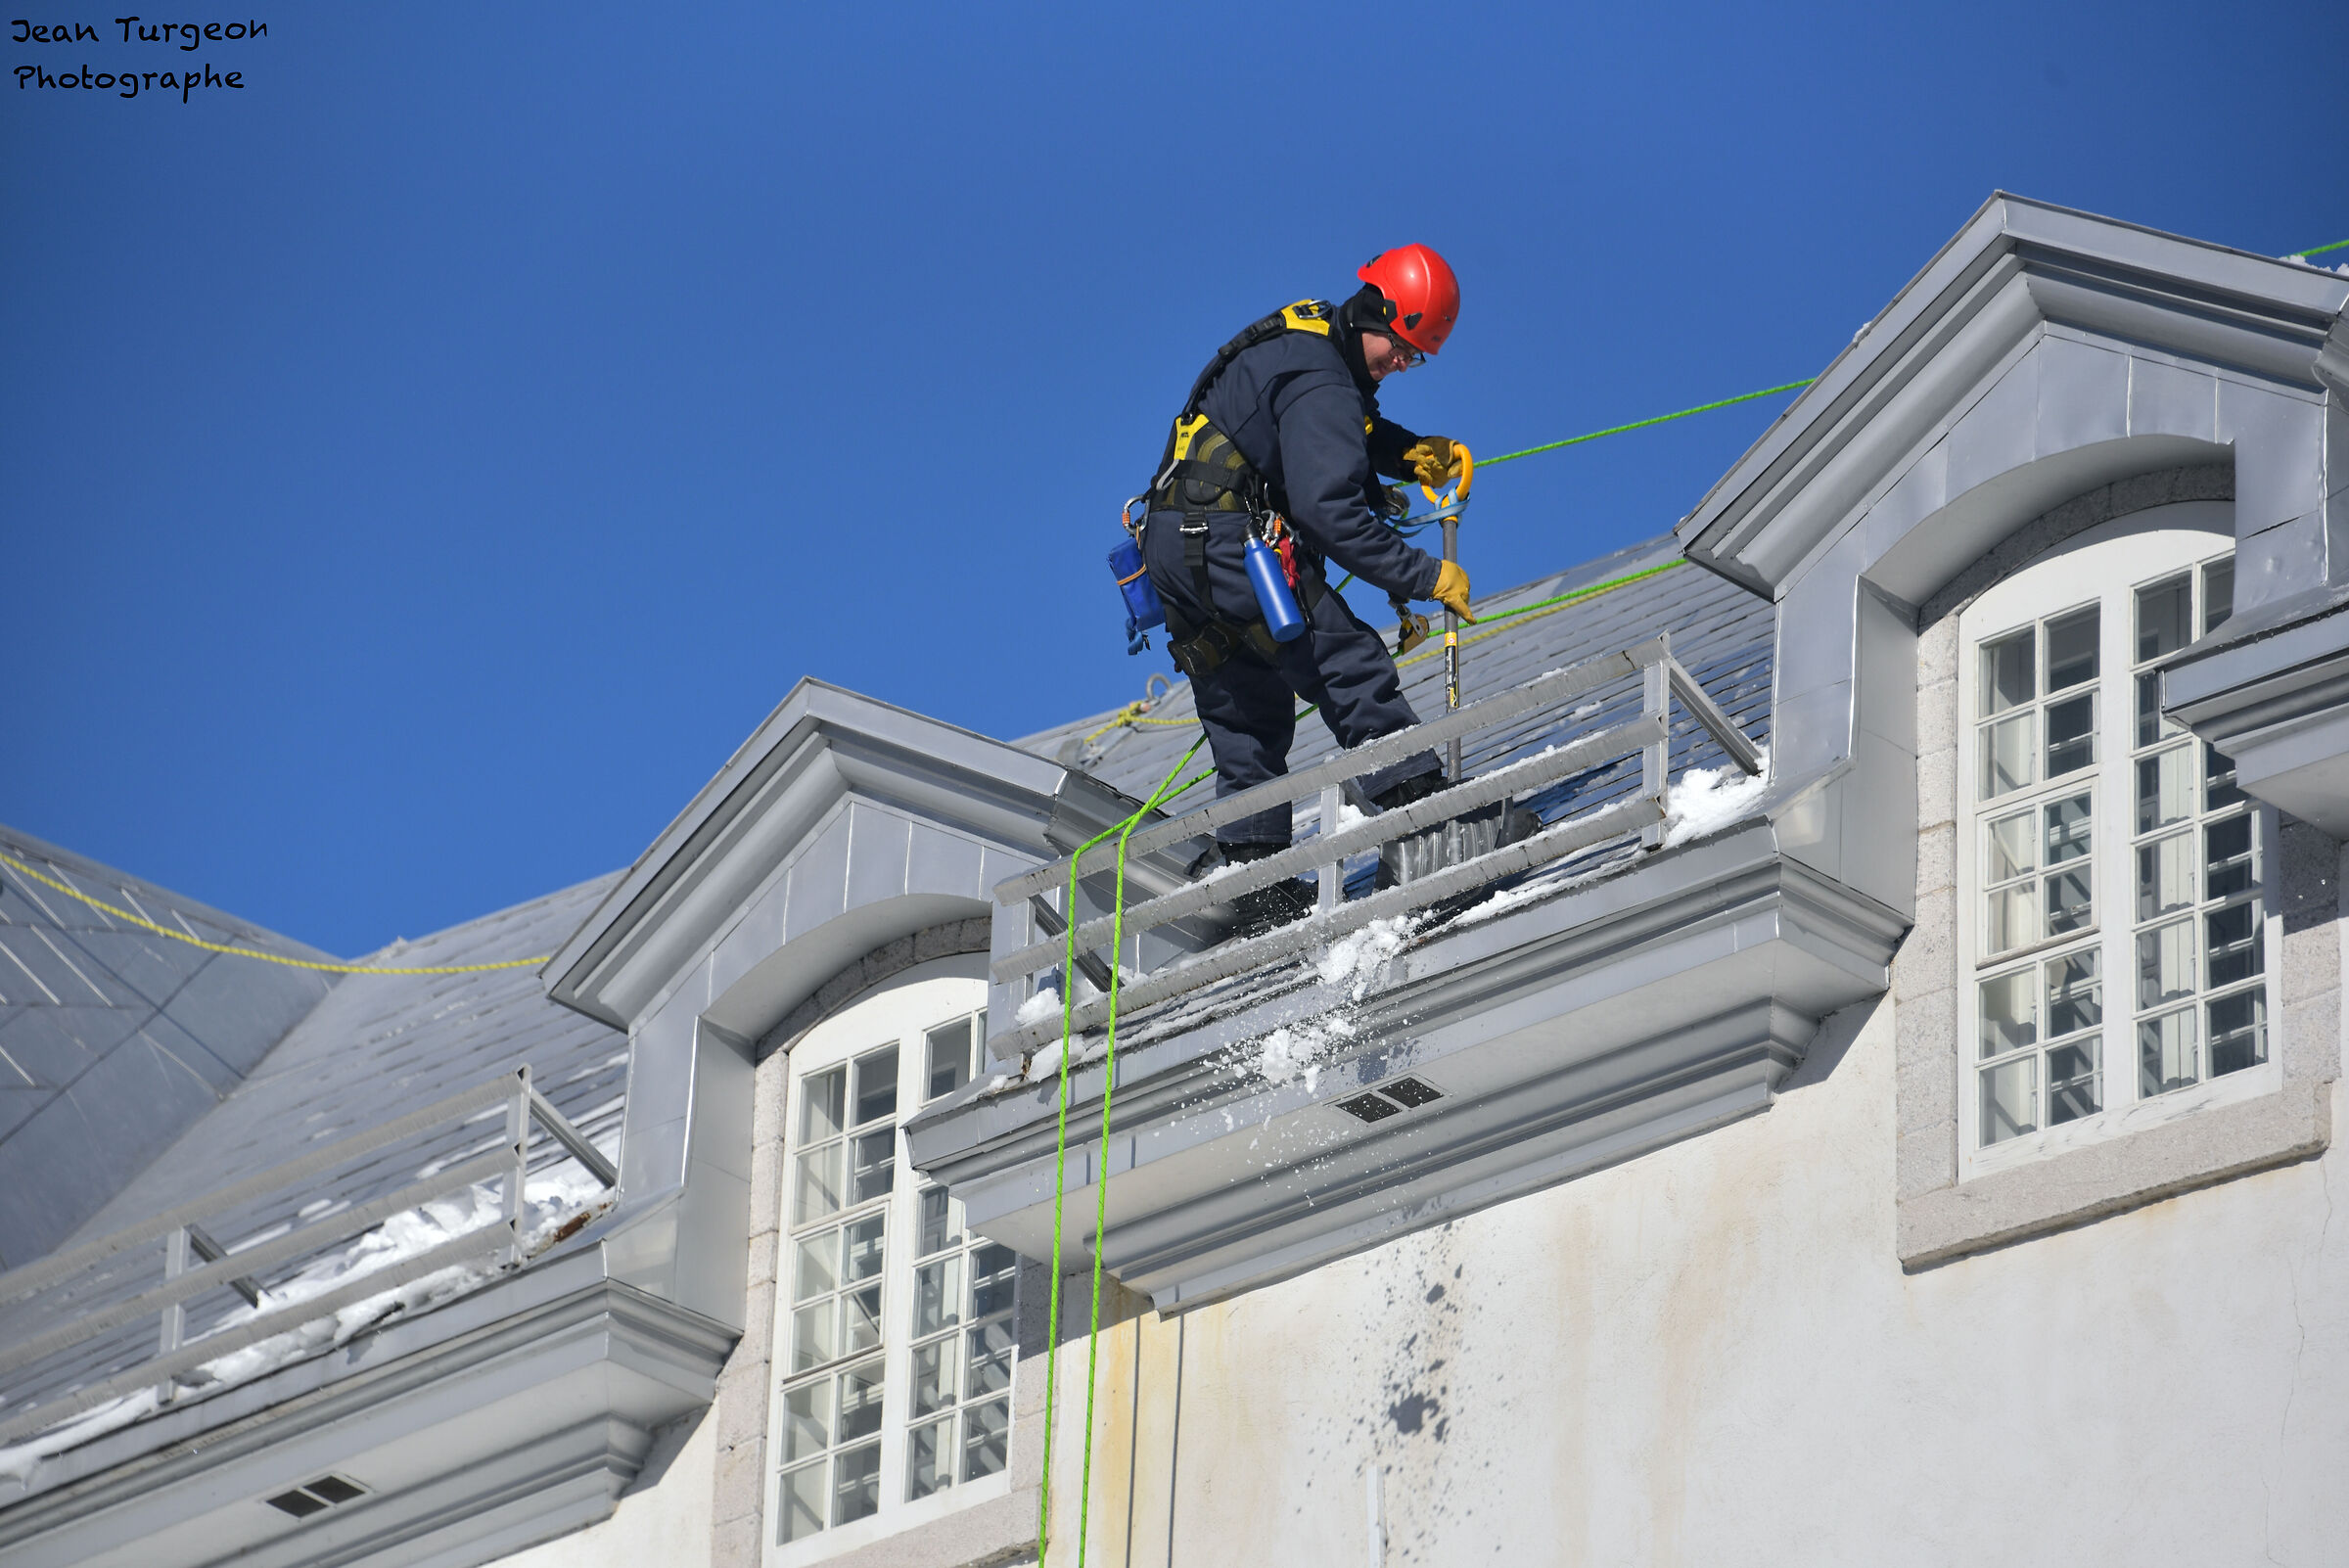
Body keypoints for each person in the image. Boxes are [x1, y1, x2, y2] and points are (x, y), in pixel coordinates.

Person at [1137, 244, 1481, 933]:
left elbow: (1320, 428)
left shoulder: (1307, 343)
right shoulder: (1324, 378)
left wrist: (1404, 452)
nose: (1402, 365)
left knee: (1245, 704)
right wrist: (1426, 575)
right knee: (1345, 660)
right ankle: (1424, 817)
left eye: (1416, 359)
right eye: (1402, 347)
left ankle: (1253, 874)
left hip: (1173, 545)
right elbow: (1329, 509)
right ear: (1375, 311)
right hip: (1232, 541)